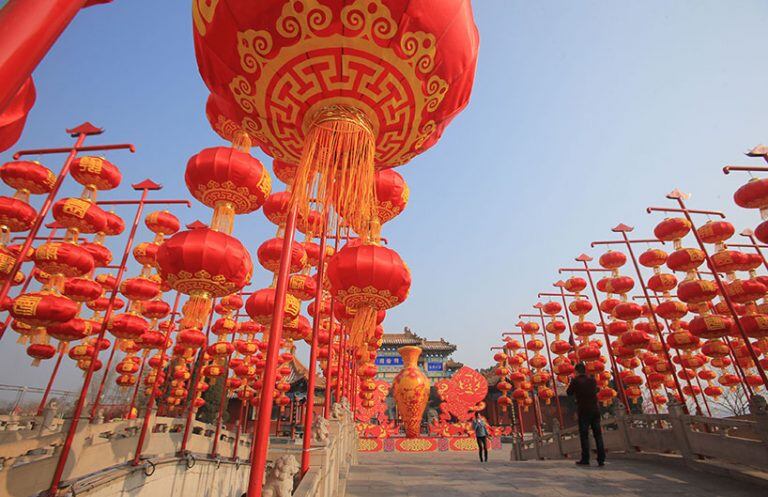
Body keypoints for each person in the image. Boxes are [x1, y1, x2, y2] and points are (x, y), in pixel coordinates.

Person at [566, 362, 605, 466]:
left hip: (583, 410)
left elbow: (569, 392)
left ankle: (585, 459)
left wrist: (572, 383)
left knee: (584, 435)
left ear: (576, 371)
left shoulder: (575, 381)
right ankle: (601, 459)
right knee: (598, 435)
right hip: (595, 409)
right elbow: (596, 390)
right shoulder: (592, 380)